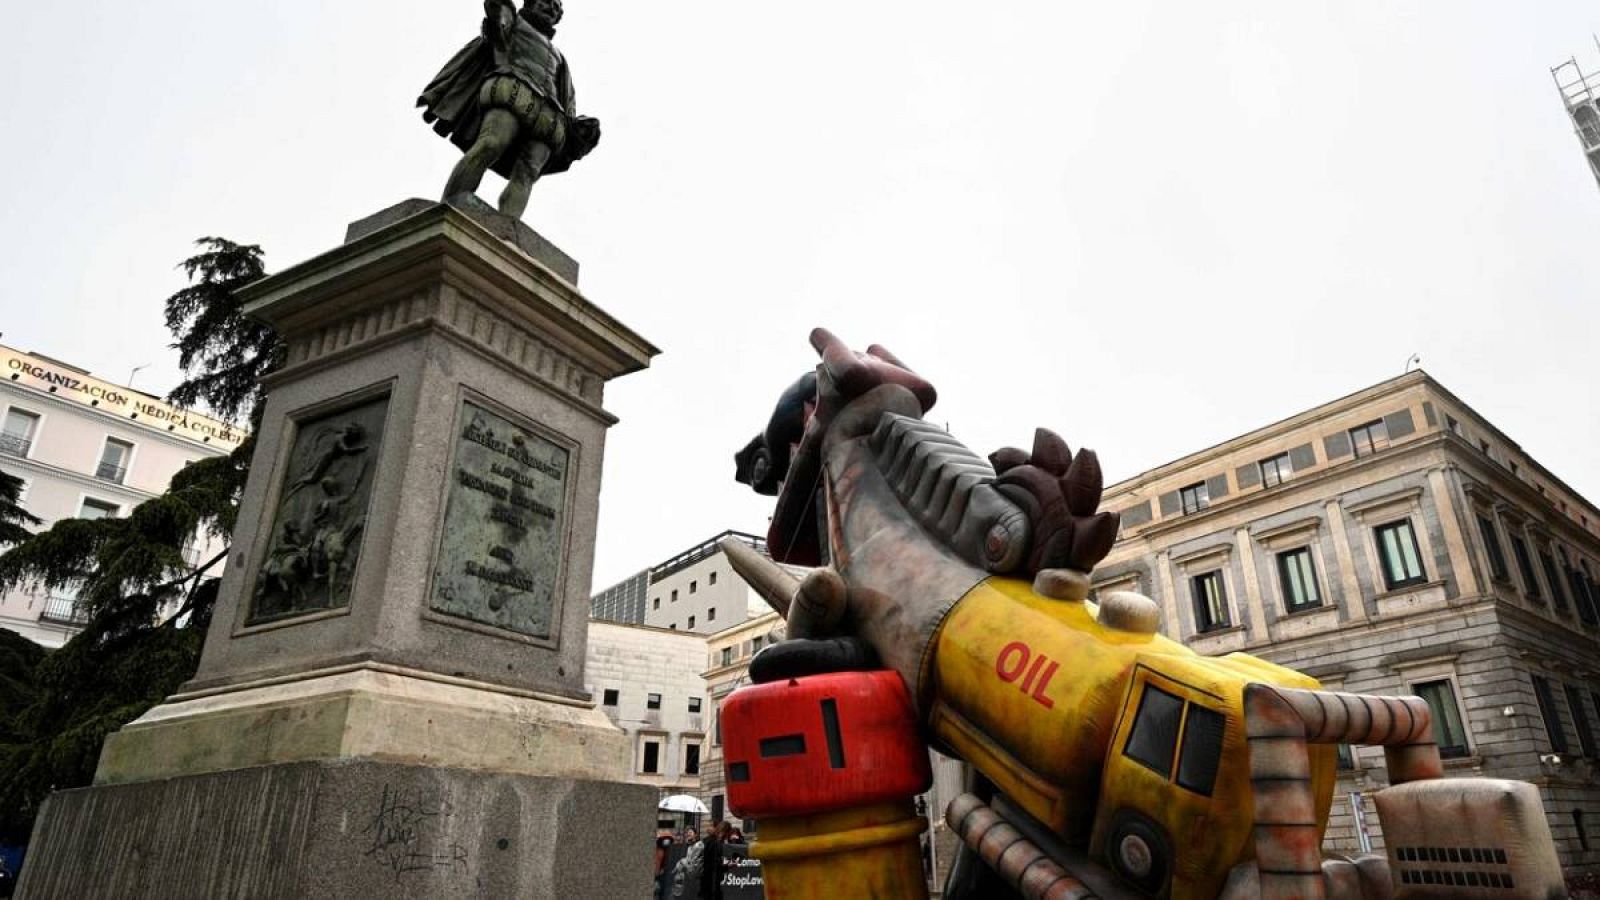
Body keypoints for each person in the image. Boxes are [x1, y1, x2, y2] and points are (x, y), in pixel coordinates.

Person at [419, 0, 601, 219]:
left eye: (556, 8)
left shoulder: (560, 57)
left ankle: (508, 225)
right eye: (547, 1)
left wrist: (579, 128)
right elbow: (497, 18)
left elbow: (567, 99)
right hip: (512, 91)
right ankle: (450, 206)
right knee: (490, 144)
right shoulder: (514, 22)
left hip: (549, 115)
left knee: (528, 171)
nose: (551, 9)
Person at [698, 821, 727, 900]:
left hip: (711, 877)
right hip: (709, 877)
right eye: (708, 826)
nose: (708, 828)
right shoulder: (709, 841)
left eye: (710, 826)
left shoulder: (714, 842)